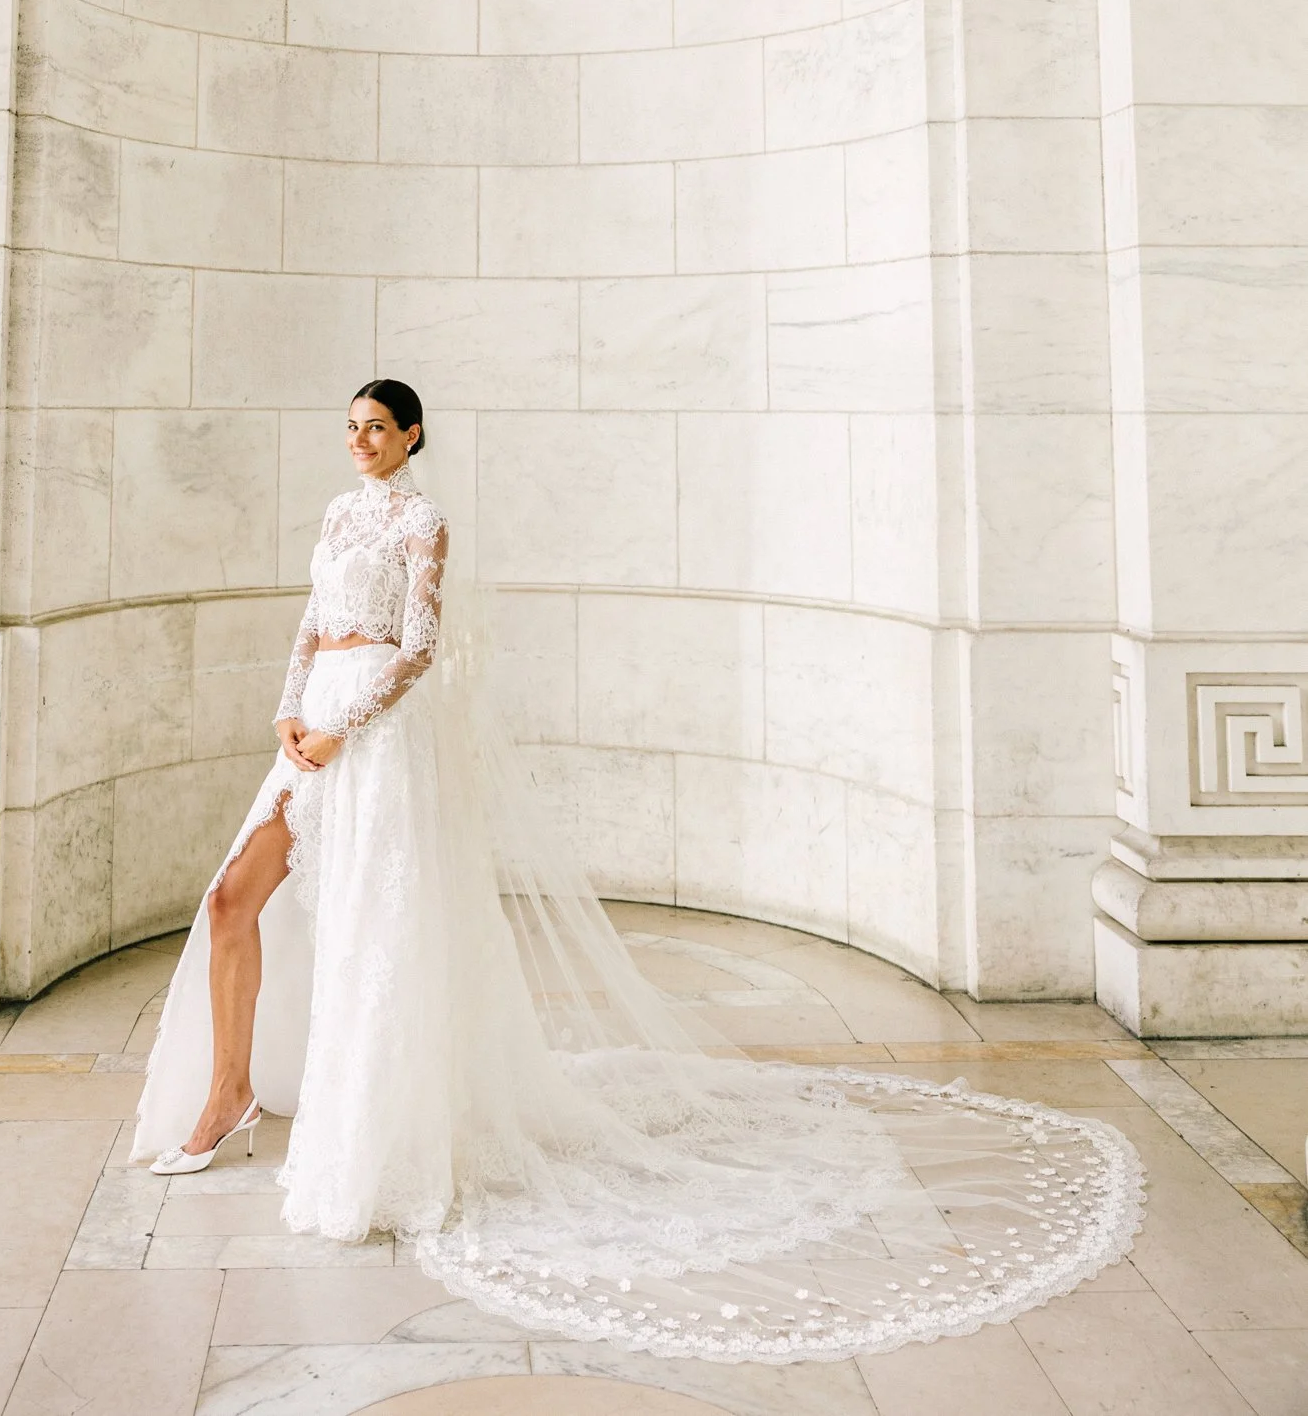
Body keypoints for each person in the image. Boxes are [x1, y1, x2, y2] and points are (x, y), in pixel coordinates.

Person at [134, 380, 1144, 1364]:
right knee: (230, 900)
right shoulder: (335, 512)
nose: (357, 439)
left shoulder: (423, 523)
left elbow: (421, 646)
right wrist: (288, 717)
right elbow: (310, 624)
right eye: (349, 425)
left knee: (368, 931)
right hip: (308, 728)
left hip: (372, 739)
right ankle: (229, 1088)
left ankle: (345, 1125)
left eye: (375, 427)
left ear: (411, 437)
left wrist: (341, 730)